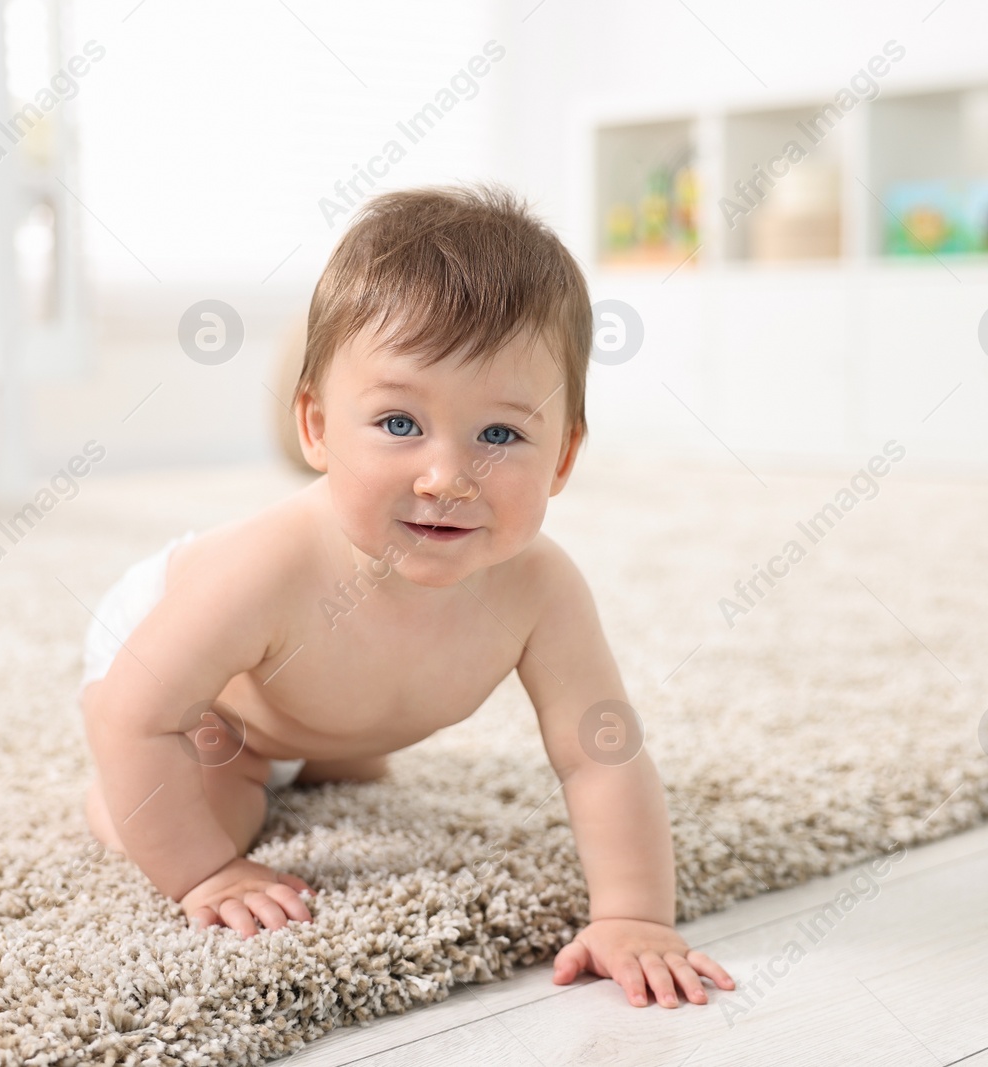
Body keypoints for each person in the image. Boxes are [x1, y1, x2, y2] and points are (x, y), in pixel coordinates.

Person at [79, 182, 734, 1009]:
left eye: (500, 434)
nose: (445, 478)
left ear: (563, 458)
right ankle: (143, 792)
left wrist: (636, 914)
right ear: (315, 428)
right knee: (216, 793)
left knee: (346, 760)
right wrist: (205, 871)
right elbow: (132, 713)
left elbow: (597, 752)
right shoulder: (266, 568)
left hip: (310, 690)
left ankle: (324, 745)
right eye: (398, 423)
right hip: (177, 663)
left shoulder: (542, 589)